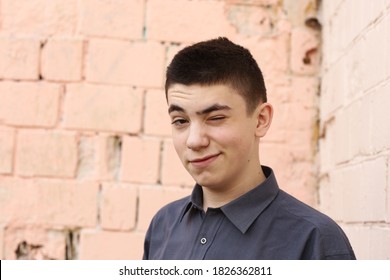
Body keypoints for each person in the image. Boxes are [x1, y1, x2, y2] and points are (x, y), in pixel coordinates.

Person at [143, 37, 356, 260]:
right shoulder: (163, 226)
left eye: (215, 118)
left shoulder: (315, 240)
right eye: (180, 121)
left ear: (260, 120)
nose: (194, 141)